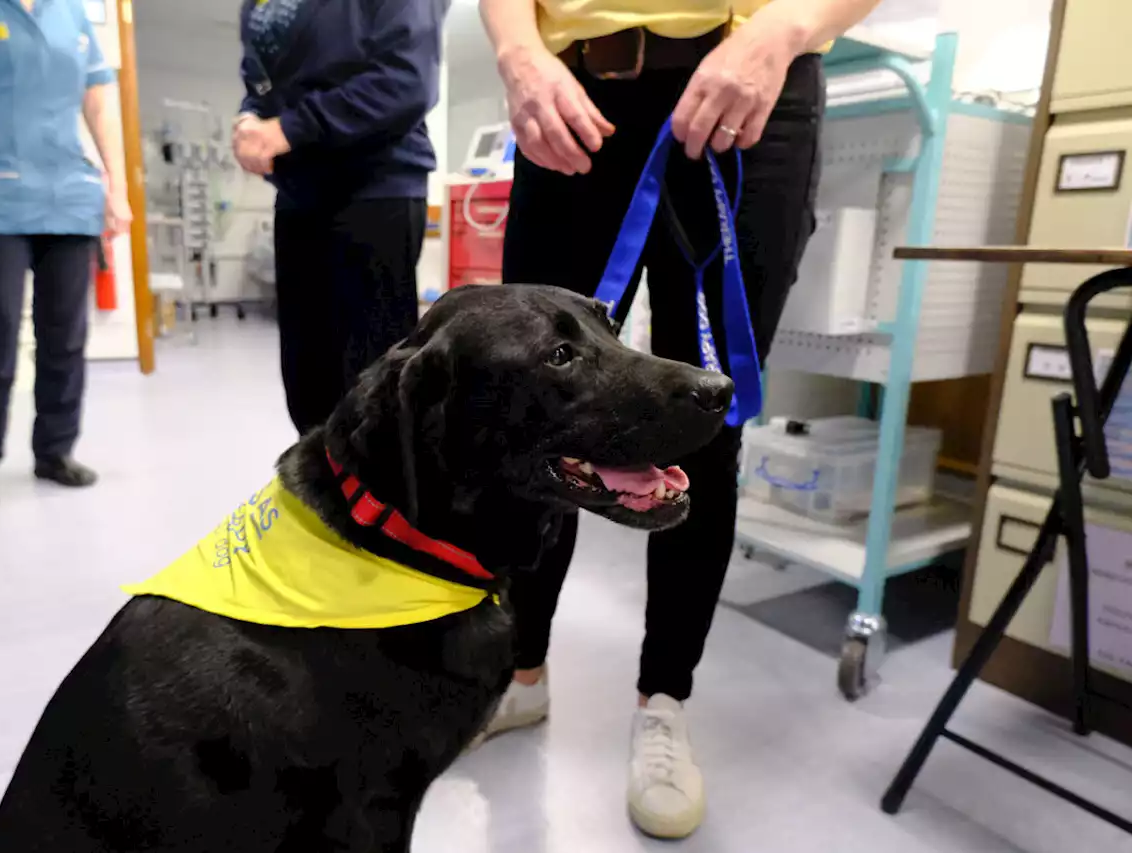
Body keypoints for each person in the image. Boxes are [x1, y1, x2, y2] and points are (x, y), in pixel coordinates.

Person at [475, 0, 882, 839]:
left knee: (706, 424)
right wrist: (516, 51)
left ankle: (664, 700)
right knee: (537, 419)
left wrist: (787, 30)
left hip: (747, 89)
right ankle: (521, 672)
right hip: (572, 97)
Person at [0, 0, 132, 511]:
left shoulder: (72, 12)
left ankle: (55, 451)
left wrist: (117, 186)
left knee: (65, 333)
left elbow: (98, 101)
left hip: (69, 193)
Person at [232, 0, 449, 434]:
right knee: (306, 382)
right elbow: (262, 80)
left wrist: (289, 129)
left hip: (373, 189)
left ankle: (380, 499)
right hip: (298, 192)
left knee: (371, 389)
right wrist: (249, 117)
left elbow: (407, 80)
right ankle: (325, 495)